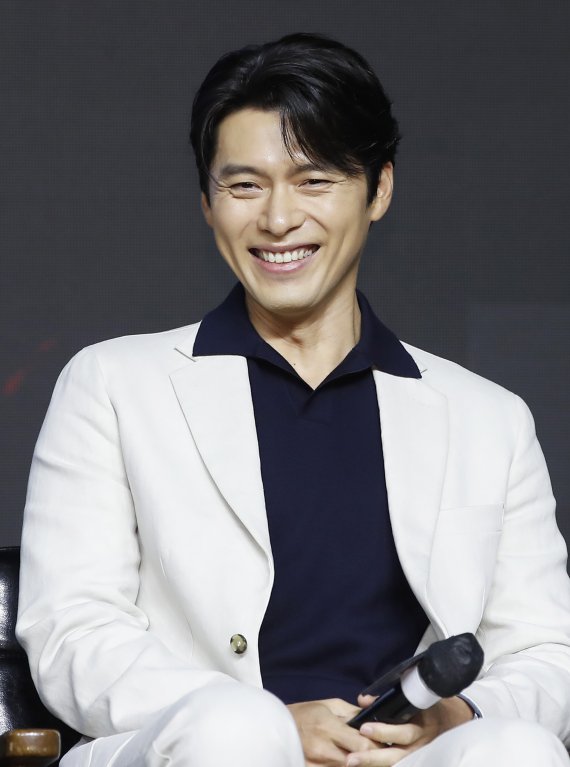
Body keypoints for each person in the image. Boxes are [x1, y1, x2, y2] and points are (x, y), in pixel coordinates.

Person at [16, 33, 570, 767]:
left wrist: (455, 715)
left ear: (378, 190)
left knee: (516, 747)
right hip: (202, 743)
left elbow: (545, 650)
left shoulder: (489, 419)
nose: (278, 219)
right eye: (244, 186)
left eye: (314, 181)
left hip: (397, 754)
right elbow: (71, 630)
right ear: (207, 203)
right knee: (235, 733)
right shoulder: (112, 384)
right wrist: (271, 720)